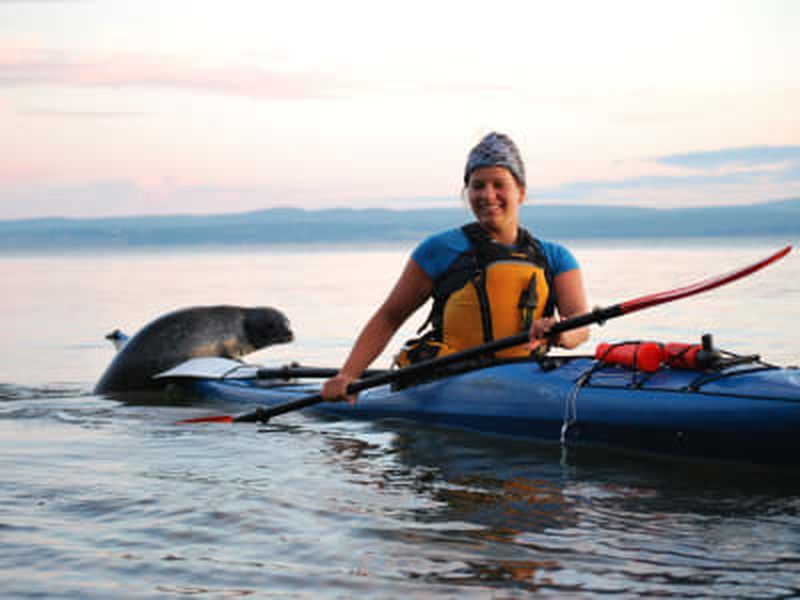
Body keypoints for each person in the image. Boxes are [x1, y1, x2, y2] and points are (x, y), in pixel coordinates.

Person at [322, 132, 589, 403]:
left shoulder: (556, 257)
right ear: (467, 192)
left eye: (499, 184)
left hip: (523, 382)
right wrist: (349, 376)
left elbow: (580, 323)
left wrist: (562, 332)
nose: (488, 195)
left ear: (520, 192)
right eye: (478, 185)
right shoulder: (438, 250)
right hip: (447, 385)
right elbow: (390, 316)